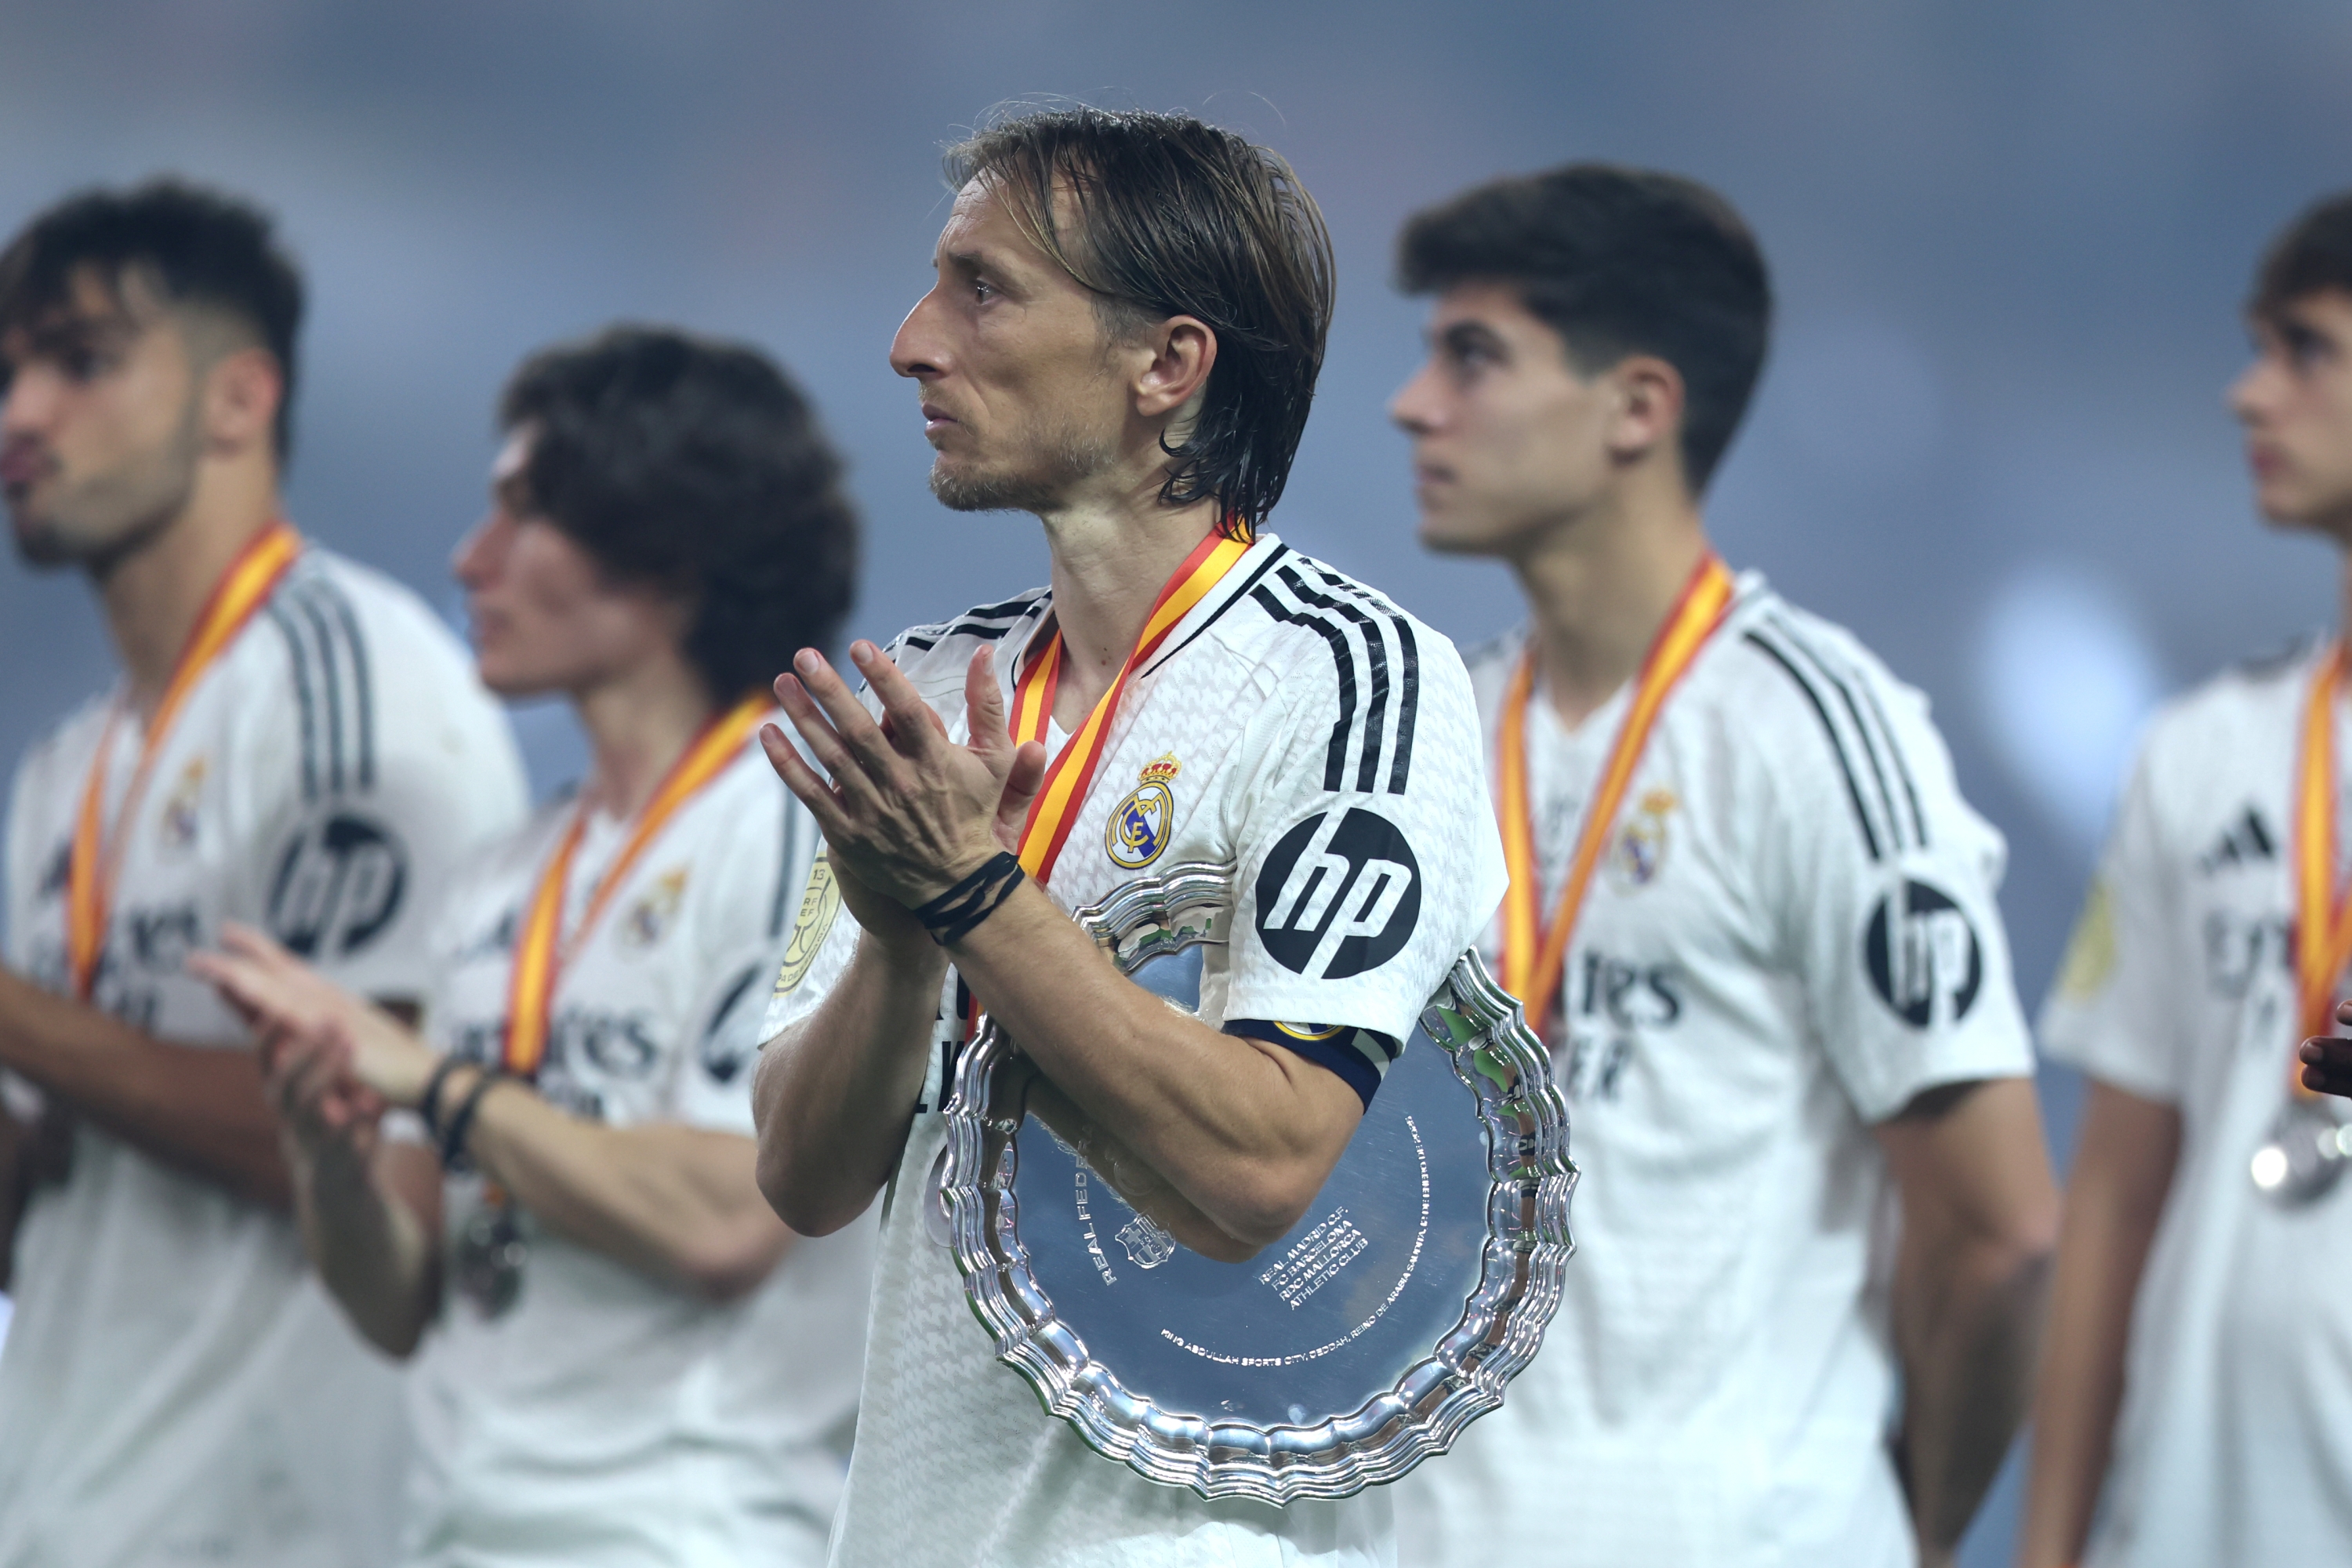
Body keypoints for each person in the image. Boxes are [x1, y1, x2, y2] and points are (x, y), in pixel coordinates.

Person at [751, 105, 1504, 1568]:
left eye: (984, 288)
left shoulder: (1357, 681)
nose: (914, 340)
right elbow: (803, 1177)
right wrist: (902, 937)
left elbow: (1264, 1170)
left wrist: (973, 891)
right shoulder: (925, 702)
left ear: (1168, 365)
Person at [1381, 165, 2060, 1568]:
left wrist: (1890, 1530)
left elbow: (1998, 1233)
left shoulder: (1818, 732)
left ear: (1638, 407)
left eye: (1474, 357)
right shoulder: (1433, 735)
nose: (1414, 402)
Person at [193, 325, 875, 1566]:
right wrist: (331, 1150)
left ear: (665, 556)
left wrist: (438, 1087)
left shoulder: (796, 829)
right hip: (449, 1529)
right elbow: (397, 1301)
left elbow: (728, 1220)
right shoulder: (501, 876)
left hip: (686, 1533)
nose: (471, 559)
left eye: (524, 514)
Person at [0, 180, 528, 1566]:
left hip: (266, 1528)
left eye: (81, 360)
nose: (21, 418)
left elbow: (370, 1139)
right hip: (63, 1507)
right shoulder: (63, 768)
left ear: (238, 401)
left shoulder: (351, 685)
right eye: (7, 375)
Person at [2024, 193, 2352, 1568]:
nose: (2244, 392)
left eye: (2302, 349)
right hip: (2186, 1521)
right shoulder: (2199, 750)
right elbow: (2111, 1197)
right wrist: (2048, 1547)